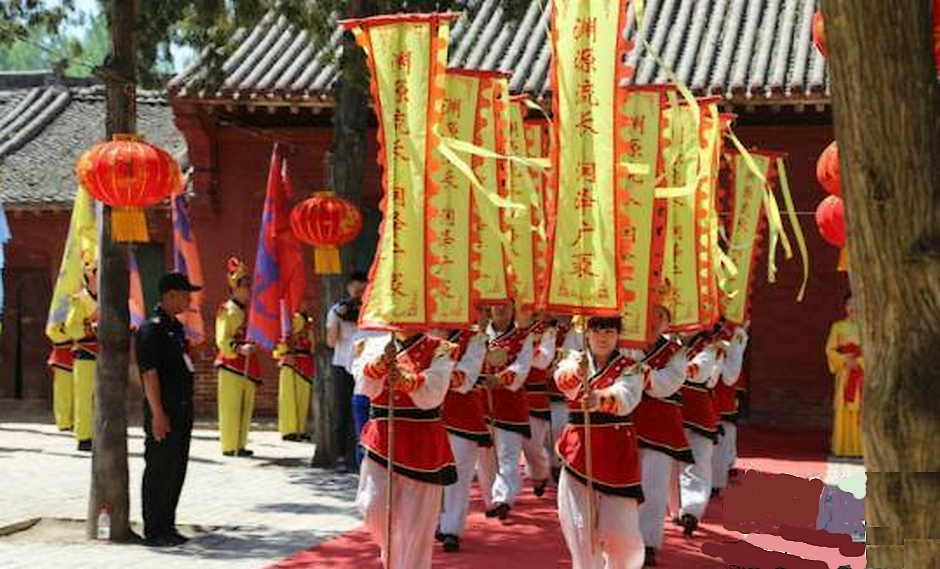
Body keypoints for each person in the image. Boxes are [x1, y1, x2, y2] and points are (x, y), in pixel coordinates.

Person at [350, 329, 458, 569]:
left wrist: (407, 381)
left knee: (417, 525)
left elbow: (435, 391)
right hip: (381, 438)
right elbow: (363, 386)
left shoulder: (441, 348)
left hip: (422, 443)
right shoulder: (374, 344)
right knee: (371, 506)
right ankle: (395, 558)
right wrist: (379, 365)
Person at [554, 316, 645, 569]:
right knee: (581, 536)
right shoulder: (574, 360)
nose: (603, 337)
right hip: (578, 454)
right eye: (596, 331)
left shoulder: (632, 367)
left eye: (609, 331)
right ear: (587, 333)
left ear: (618, 335)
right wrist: (577, 373)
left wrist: (600, 398)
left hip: (618, 457)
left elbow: (627, 396)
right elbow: (562, 380)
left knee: (623, 537)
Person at [137, 272, 202, 547]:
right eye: (185, 293)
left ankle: (168, 524)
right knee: (159, 468)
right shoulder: (151, 329)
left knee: (176, 467)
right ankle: (154, 529)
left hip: (182, 408)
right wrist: (158, 414)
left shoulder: (175, 327)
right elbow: (149, 373)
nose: (189, 298)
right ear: (170, 295)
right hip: (163, 409)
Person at [632, 305, 689, 567]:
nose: (654, 321)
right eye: (650, 313)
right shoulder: (624, 346)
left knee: (653, 488)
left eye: (661, 316)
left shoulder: (676, 353)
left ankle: (648, 542)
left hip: (661, 429)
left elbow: (668, 384)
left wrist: (636, 375)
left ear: (668, 322)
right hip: (625, 425)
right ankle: (621, 540)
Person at [435, 324, 488, 553]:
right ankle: (434, 521)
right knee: (429, 475)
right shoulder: (423, 333)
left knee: (459, 475)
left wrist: (431, 373)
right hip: (427, 417)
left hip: (462, 416)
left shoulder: (475, 339)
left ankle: (451, 529)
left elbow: (464, 380)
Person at [481, 302, 534, 520]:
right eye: (497, 305)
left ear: (513, 309)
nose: (500, 309)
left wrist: (501, 379)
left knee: (508, 455)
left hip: (510, 404)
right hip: (482, 403)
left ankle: (503, 498)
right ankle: (491, 499)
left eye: (505, 305)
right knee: (485, 460)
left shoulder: (524, 337)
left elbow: (522, 367)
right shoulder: (479, 336)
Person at [677, 328, 725, 537]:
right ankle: (675, 508)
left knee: (697, 461)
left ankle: (691, 511)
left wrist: (668, 369)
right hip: (671, 408)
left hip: (698, 410)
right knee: (667, 464)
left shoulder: (711, 346)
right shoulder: (665, 341)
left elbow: (700, 373)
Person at [215, 257, 260, 457]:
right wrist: (239, 349)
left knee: (245, 405)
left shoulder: (247, 311)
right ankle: (229, 445)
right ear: (235, 287)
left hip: (247, 364)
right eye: (245, 286)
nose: (248, 290)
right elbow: (222, 339)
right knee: (231, 406)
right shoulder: (227, 310)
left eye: (249, 285)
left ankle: (240, 444)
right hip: (232, 363)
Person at [326, 271, 368, 470]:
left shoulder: (371, 311)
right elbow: (330, 341)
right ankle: (342, 457)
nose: (358, 293)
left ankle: (363, 455)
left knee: (364, 411)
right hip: (342, 365)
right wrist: (339, 318)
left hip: (365, 368)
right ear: (349, 288)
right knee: (342, 412)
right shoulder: (337, 309)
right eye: (356, 289)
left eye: (363, 289)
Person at [519, 309, 556, 498]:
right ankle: (501, 497)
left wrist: (519, 351)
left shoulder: (547, 332)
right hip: (507, 394)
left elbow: (543, 359)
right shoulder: (508, 331)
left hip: (534, 395)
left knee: (533, 445)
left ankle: (540, 473)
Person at [711, 321, 749, 494]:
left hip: (722, 390)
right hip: (699, 390)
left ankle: (717, 481)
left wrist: (724, 350)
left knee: (722, 435)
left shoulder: (735, 331)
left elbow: (731, 373)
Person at [64, 261, 98, 452]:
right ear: (90, 276)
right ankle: (84, 436)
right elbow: (70, 327)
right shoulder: (79, 299)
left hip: (107, 354)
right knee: (85, 397)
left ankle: (103, 433)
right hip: (86, 352)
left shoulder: (109, 298)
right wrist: (89, 328)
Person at [825, 293, 863, 458]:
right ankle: (842, 447)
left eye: (855, 304)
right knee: (843, 407)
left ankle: (861, 448)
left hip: (862, 373)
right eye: (849, 304)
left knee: (862, 408)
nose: (852, 308)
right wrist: (843, 360)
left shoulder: (868, 326)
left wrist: (861, 362)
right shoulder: (838, 326)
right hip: (845, 373)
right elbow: (829, 350)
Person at [546, 315, 582, 481]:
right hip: (546, 390)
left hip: (570, 397)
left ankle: (558, 465)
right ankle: (552, 464)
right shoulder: (546, 331)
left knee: (560, 427)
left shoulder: (577, 330)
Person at [276, 310, 315, 441]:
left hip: (305, 363)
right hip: (291, 362)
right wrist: (284, 352)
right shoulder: (290, 317)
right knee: (289, 398)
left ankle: (300, 428)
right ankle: (289, 430)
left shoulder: (309, 322)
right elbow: (280, 339)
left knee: (302, 398)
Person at [46, 320, 75, 432]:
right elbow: (52, 332)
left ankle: (76, 420)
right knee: (63, 391)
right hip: (63, 355)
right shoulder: (59, 306)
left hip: (82, 352)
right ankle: (64, 422)